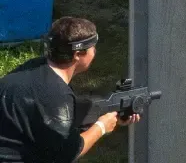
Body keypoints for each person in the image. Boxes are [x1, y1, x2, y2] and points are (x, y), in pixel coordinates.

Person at [0, 17, 138, 161]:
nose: (95, 51)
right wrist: (101, 126)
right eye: (93, 47)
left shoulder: (34, 66)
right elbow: (68, 154)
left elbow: (44, 120)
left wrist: (109, 115)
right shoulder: (57, 95)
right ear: (77, 54)